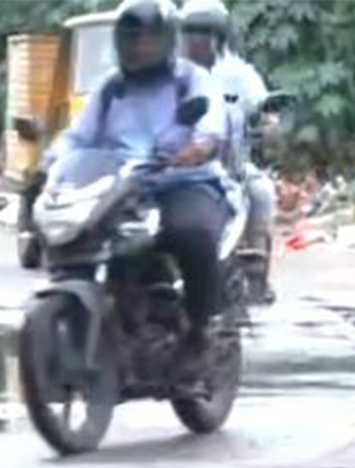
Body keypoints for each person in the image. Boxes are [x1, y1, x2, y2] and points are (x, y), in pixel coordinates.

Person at [63, 0, 230, 370]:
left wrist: (197, 148)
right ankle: (110, 320)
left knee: (191, 232)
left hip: (183, 182)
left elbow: (211, 127)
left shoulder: (192, 79)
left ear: (168, 40)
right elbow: (79, 137)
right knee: (79, 239)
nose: (140, 48)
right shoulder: (110, 88)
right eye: (132, 39)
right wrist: (52, 165)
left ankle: (199, 331)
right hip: (123, 186)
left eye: (150, 40)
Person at [180, 0, 276, 300]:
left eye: (205, 31)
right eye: (191, 31)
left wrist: (269, 125)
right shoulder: (171, 73)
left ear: (219, 35)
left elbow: (266, 109)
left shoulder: (239, 74)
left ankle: (256, 270)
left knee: (261, 192)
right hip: (177, 168)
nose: (198, 39)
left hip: (230, 168)